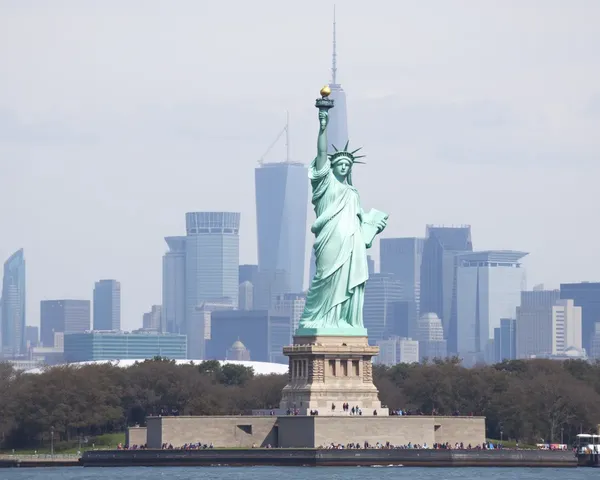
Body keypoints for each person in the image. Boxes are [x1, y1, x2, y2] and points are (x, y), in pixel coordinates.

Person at [299, 108, 387, 331]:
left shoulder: (352, 193)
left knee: (348, 281)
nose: (344, 166)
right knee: (325, 278)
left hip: (352, 242)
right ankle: (319, 319)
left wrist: (374, 227)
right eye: (340, 163)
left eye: (348, 165)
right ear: (332, 166)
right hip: (330, 239)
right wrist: (322, 126)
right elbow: (321, 154)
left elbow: (360, 222)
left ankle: (344, 322)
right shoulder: (325, 183)